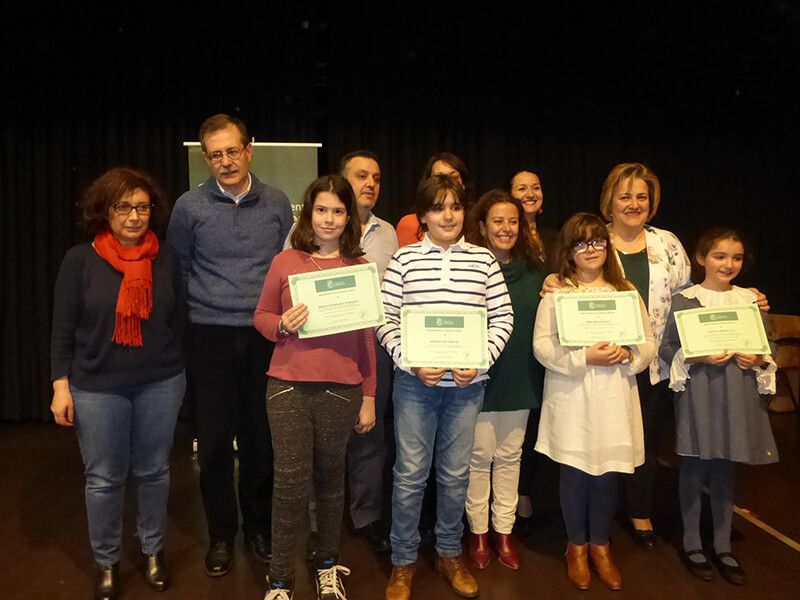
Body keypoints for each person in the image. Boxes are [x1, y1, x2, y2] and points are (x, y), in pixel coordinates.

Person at [167, 114, 293, 575]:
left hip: (264, 336)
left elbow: (287, 270)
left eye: (232, 151)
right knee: (216, 442)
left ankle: (258, 526)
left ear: (249, 150)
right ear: (206, 158)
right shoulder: (188, 207)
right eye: (215, 154)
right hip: (209, 336)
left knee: (261, 438)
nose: (225, 161)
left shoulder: (278, 202)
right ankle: (221, 532)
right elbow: (179, 270)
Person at [50, 168, 185, 599]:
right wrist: (60, 385)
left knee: (153, 472)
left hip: (160, 383)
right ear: (104, 210)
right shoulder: (80, 259)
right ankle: (106, 560)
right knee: (105, 478)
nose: (133, 216)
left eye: (142, 207)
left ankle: (152, 550)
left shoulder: (166, 257)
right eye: (123, 206)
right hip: (97, 388)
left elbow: (176, 320)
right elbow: (62, 328)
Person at [379, 175, 513, 600]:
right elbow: (385, 319)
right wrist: (411, 361)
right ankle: (402, 562)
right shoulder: (403, 261)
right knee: (410, 476)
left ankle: (449, 554)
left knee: (456, 476)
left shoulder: (484, 261)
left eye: (455, 207)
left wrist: (480, 358)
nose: (448, 215)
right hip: (414, 385)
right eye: (438, 208)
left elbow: (503, 319)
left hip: (467, 387)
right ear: (423, 216)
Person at [254, 174, 377, 600]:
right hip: (287, 387)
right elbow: (262, 316)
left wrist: (369, 395)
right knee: (289, 483)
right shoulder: (285, 262)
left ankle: (326, 563)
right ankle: (280, 579)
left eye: (338, 211)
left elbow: (367, 339)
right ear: (309, 214)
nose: (328, 219)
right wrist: (281, 325)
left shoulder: (360, 269)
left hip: (342, 389)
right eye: (321, 210)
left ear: (349, 217)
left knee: (331, 481)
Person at [534, 212, 656, 591]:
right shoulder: (558, 293)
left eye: (597, 241)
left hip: (615, 394)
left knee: (607, 471)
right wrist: (582, 357)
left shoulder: (626, 292)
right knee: (574, 471)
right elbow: (541, 346)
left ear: (608, 246)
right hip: (573, 395)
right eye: (581, 243)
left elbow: (648, 343)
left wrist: (629, 355)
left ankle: (601, 546)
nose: (591, 249)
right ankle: (576, 547)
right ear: (568, 251)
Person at [283, 151, 398, 555]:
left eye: (377, 177)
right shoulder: (303, 236)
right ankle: (319, 525)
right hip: (317, 352)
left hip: (371, 349)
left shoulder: (388, 234)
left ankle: (366, 517)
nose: (370, 183)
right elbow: (286, 291)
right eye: (361, 176)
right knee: (320, 445)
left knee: (370, 435)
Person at [660, 227, 778, 586]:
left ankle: (723, 544)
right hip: (699, 392)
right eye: (720, 256)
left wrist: (757, 357)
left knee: (727, 467)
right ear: (701, 258)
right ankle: (692, 542)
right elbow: (667, 348)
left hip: (738, 392)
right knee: (695, 466)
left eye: (736, 258)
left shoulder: (751, 301)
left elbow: (768, 345)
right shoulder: (684, 299)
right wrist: (692, 354)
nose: (728, 264)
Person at [463, 190, 545, 571]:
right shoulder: (469, 268)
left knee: (511, 458)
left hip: (521, 379)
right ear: (481, 226)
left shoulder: (536, 273)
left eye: (512, 221)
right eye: (498, 221)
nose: (506, 228)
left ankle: (504, 532)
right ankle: (478, 533)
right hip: (477, 378)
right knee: (479, 459)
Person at [395, 152, 468, 247]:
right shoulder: (409, 224)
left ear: (463, 184)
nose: (446, 183)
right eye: (439, 178)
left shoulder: (478, 222)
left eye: (453, 177)